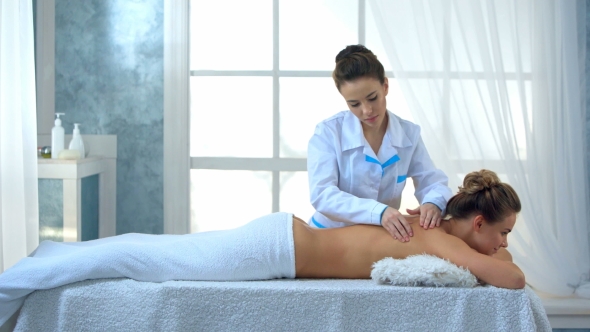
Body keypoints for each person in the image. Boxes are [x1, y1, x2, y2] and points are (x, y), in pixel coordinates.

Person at [0, 169, 524, 325]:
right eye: (502, 233)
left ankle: (51, 258)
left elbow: (499, 266)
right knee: (149, 258)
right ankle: (19, 281)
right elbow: (512, 278)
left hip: (280, 244)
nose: (503, 245)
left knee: (153, 251)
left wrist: (492, 251)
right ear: (477, 223)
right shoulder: (438, 238)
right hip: (275, 248)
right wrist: (498, 257)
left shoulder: (434, 231)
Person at [307, 44, 452, 242]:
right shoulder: (328, 133)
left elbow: (431, 181)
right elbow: (323, 195)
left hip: (379, 239)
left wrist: (433, 203)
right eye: (354, 104)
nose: (366, 110)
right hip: (328, 236)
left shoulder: (408, 134)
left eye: (372, 98)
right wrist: (379, 212)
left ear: (385, 86)